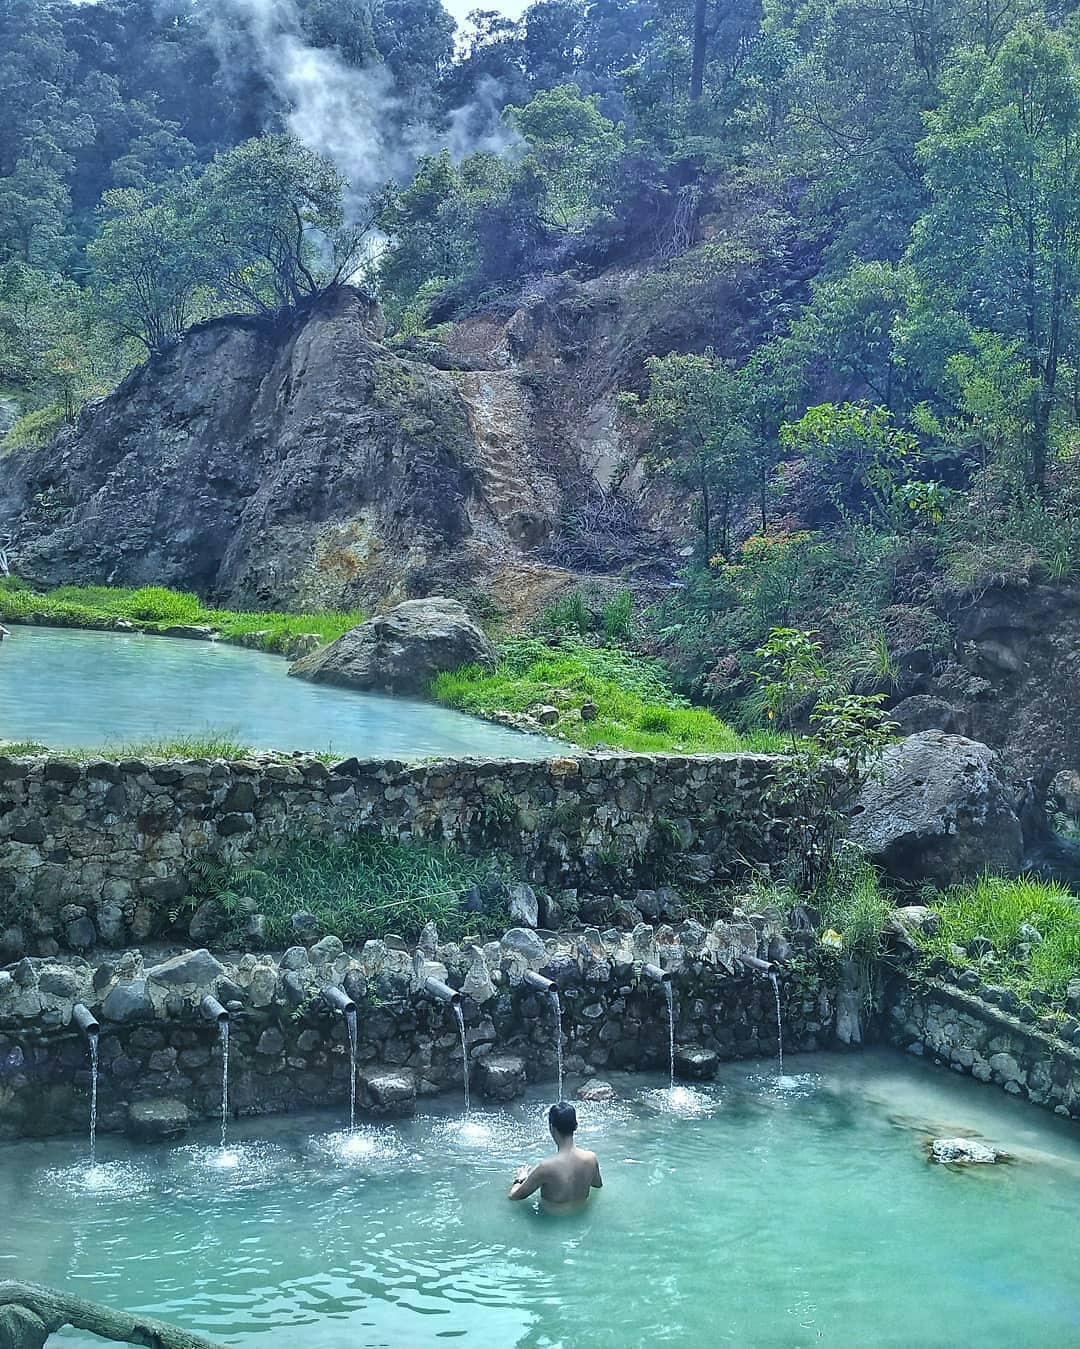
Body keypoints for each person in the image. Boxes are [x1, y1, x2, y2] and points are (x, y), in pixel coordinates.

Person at [508, 1102, 603, 1213]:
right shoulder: (591, 1158)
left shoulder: (545, 1168)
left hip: (549, 1223)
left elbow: (514, 1197)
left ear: (551, 1128)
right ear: (576, 1126)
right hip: (581, 1216)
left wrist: (520, 1179)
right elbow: (597, 1186)